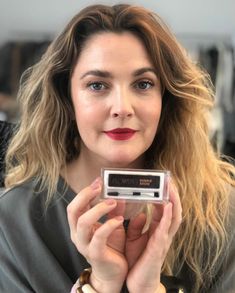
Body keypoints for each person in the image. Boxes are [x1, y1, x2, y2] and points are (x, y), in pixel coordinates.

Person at [0, 4, 234, 293]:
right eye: (97, 85)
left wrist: (149, 289)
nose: (122, 108)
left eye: (143, 84)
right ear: (67, 98)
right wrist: (100, 285)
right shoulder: (12, 221)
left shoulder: (223, 212)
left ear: (166, 98)